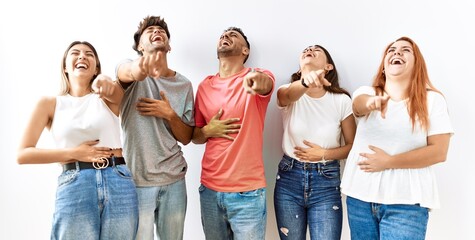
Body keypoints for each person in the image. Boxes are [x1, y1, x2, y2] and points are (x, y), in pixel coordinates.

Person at [17, 40, 139, 239]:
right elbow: (23, 154)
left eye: (89, 54)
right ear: (65, 66)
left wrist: (104, 80)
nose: (82, 56)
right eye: (76, 53)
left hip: (118, 180)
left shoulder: (108, 98)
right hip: (75, 183)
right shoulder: (50, 104)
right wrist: (76, 153)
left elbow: (113, 87)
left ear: (96, 67)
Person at [340, 36, 454, 240]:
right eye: (391, 50)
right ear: (384, 66)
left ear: (416, 64)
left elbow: (439, 151)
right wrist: (371, 103)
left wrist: (389, 162)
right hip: (360, 199)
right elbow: (358, 105)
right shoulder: (367, 92)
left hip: (406, 203)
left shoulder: (432, 100)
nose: (397, 52)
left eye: (405, 50)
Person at [115, 15, 194, 240]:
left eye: (161, 30)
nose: (156, 31)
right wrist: (140, 68)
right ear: (140, 45)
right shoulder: (130, 73)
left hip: (175, 179)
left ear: (168, 45)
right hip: (138, 181)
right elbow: (127, 71)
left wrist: (169, 114)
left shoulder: (184, 85)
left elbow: (187, 137)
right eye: (149, 30)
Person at [192, 27, 275, 240]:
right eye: (222, 34)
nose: (225, 36)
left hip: (247, 193)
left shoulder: (257, 76)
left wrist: (256, 81)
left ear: (245, 51)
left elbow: (265, 83)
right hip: (210, 189)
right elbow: (196, 136)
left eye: (233, 35)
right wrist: (208, 130)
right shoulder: (204, 86)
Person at [274, 44, 356, 240]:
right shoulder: (288, 92)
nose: (309, 50)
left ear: (328, 67)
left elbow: (353, 146)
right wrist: (305, 82)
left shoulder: (341, 101)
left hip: (326, 181)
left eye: (316, 50)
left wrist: (324, 154)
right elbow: (286, 95)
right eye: (306, 49)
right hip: (289, 179)